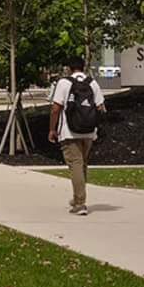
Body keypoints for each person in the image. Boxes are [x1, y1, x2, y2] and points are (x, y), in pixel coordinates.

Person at [47, 55, 106, 216]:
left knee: (75, 165)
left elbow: (55, 108)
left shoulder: (64, 83)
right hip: (89, 131)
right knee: (82, 164)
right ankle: (77, 197)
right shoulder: (92, 83)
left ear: (69, 68)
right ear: (83, 67)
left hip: (69, 131)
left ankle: (80, 203)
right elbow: (101, 107)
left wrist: (52, 129)